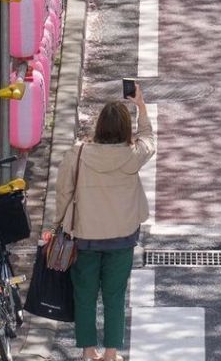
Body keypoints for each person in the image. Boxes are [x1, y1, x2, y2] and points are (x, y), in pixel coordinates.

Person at [57, 84, 154, 361]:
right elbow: (149, 139)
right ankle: (111, 354)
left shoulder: (78, 154)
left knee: (84, 295)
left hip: (85, 237)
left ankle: (89, 352)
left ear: (99, 127)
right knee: (115, 296)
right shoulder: (133, 155)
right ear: (125, 130)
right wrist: (141, 107)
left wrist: (58, 225)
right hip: (122, 237)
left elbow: (63, 192)